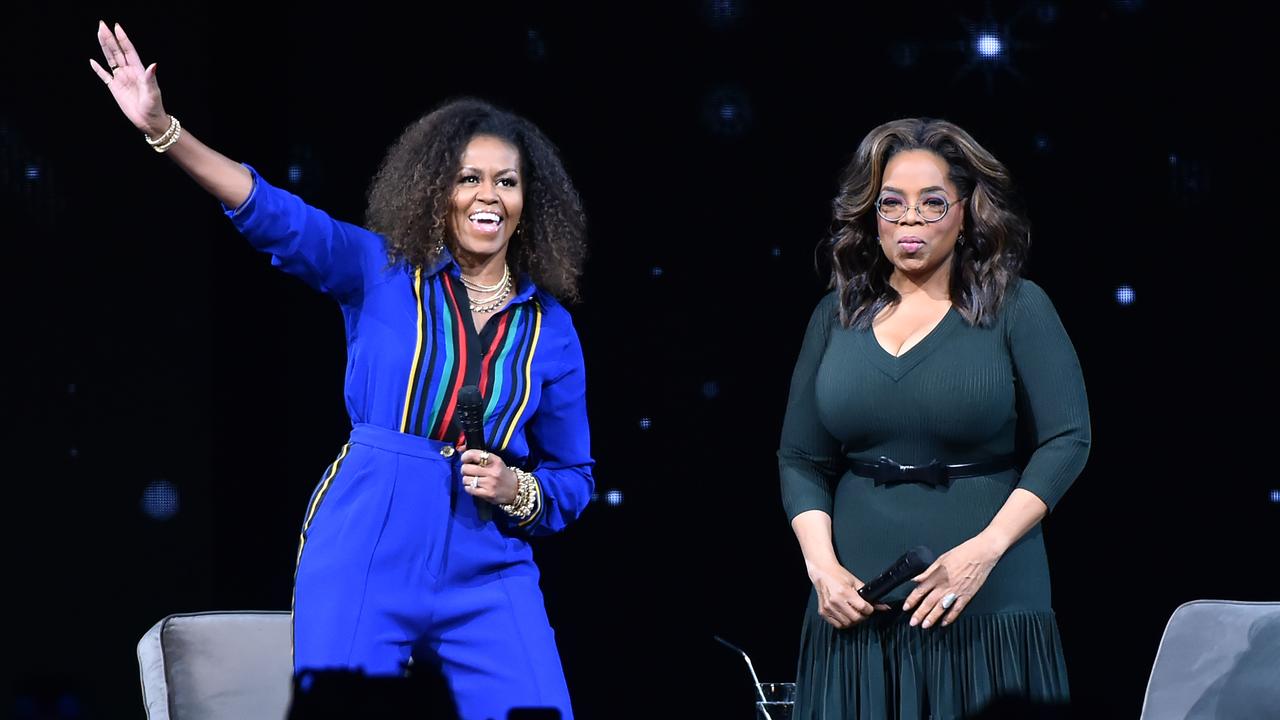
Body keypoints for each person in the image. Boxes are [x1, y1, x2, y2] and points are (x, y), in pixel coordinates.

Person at [92, 20, 593, 720]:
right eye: (468, 178)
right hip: (369, 532)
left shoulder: (552, 330)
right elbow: (271, 212)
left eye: (506, 182)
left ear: (526, 201)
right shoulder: (381, 271)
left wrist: (517, 488)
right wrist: (165, 130)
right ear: (436, 192)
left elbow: (574, 478)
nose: (489, 196)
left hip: (488, 560)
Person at [778, 117, 1090, 719]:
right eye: (892, 205)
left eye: (932, 203)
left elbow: (1067, 439)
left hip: (988, 600)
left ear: (967, 211)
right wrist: (823, 569)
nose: (909, 222)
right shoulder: (835, 316)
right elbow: (800, 457)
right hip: (854, 610)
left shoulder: (1017, 305)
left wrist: (985, 550)